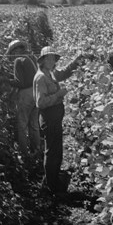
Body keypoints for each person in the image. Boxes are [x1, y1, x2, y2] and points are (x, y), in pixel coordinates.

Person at [33, 46, 84, 196]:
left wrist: (78, 60)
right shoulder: (41, 77)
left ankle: (53, 180)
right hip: (48, 118)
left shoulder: (50, 74)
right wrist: (58, 94)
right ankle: (51, 185)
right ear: (42, 60)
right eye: (48, 58)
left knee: (56, 150)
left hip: (54, 118)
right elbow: (40, 102)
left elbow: (65, 73)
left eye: (53, 58)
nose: (51, 61)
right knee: (51, 151)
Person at [7, 39, 41, 158]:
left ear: (15, 51)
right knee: (34, 124)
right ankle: (37, 149)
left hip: (26, 94)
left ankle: (25, 154)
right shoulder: (31, 57)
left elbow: (21, 82)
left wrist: (6, 81)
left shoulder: (18, 60)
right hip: (37, 92)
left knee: (22, 125)